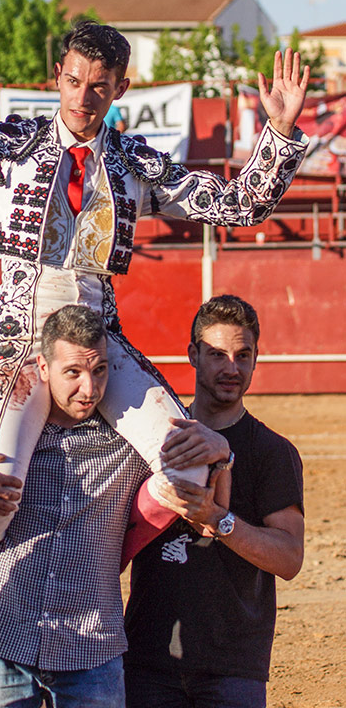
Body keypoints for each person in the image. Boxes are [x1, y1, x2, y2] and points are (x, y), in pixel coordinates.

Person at [0, 0, 310, 559]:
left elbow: (238, 205)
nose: (83, 98)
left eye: (99, 86)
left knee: (190, 472)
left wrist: (279, 133)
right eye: (74, 81)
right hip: (21, 343)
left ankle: (101, 562)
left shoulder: (135, 165)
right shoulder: (11, 147)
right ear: (58, 75)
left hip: (99, 340)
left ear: (120, 88)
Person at [0, 304, 231, 708]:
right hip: (1, 635)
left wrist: (222, 454)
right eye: (73, 372)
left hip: (91, 647)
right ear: (43, 367)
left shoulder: (132, 440)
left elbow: (205, 515)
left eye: (100, 370)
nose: (89, 388)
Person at [124, 295, 305, 708]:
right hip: (147, 659)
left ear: (256, 359)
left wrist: (218, 520)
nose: (231, 368)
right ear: (193, 355)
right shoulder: (152, 440)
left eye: (243, 356)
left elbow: (289, 558)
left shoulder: (272, 452)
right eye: (217, 354)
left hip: (232, 666)